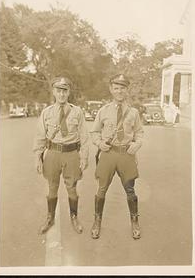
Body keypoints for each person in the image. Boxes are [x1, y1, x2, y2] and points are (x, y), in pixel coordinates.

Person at [90, 74, 144, 240]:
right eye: (116, 88)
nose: (119, 91)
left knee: (130, 190)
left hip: (126, 154)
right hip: (108, 153)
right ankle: (97, 221)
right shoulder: (103, 111)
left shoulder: (133, 112)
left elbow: (139, 132)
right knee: (101, 189)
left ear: (127, 90)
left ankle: (134, 221)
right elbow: (94, 131)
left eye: (122, 88)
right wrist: (99, 144)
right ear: (111, 90)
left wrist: (136, 144)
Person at [33, 76, 89, 235]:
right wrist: (37, 157)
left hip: (71, 154)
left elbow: (84, 136)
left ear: (69, 92)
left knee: (72, 188)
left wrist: (84, 157)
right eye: (59, 90)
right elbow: (40, 136)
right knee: (52, 188)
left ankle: (74, 217)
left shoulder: (77, 112)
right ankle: (50, 218)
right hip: (52, 154)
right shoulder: (47, 112)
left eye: (65, 91)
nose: (62, 94)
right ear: (54, 92)